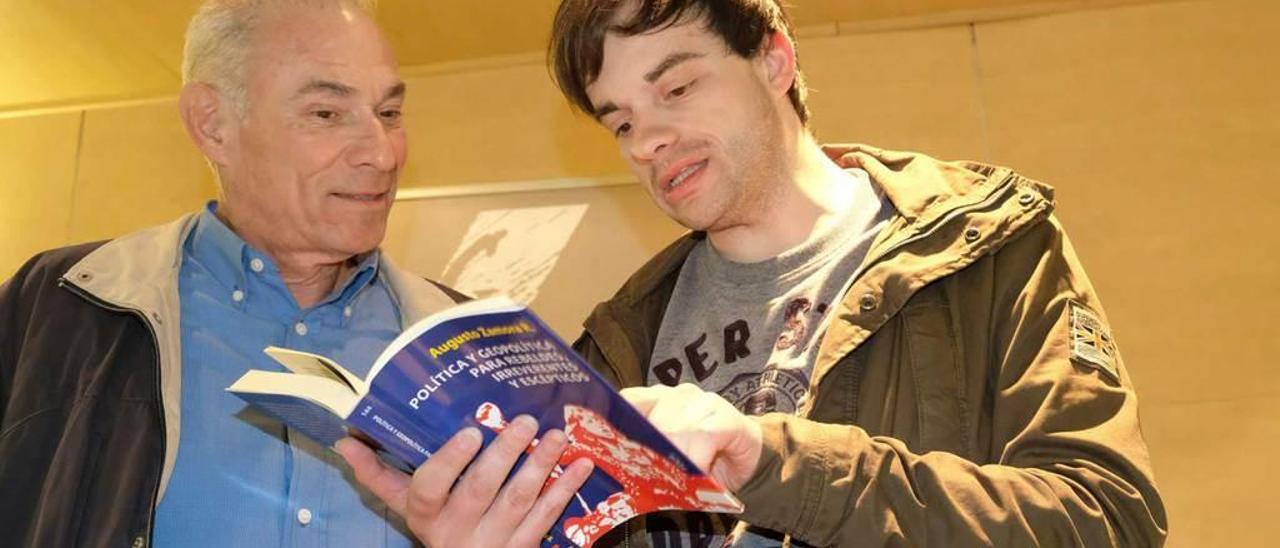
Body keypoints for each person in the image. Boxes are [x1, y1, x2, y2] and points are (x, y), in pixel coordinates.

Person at [537, 0, 1170, 546]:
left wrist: (774, 463)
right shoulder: (613, 347)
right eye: (620, 122)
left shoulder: (984, 247)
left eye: (676, 90)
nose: (646, 140)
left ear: (774, 60)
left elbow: (1108, 523)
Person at [0, 1, 589, 546]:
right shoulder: (55, 306)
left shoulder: (483, 350)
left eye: (389, 112)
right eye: (327, 113)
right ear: (213, 124)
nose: (382, 153)